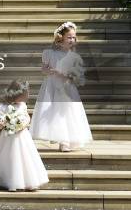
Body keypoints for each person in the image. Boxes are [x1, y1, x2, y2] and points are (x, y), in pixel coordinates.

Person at [30, 21, 93, 152]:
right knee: (55, 111)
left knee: (67, 112)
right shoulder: (49, 53)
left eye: (74, 37)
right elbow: (44, 69)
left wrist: (61, 73)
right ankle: (61, 139)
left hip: (66, 87)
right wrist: (47, 71)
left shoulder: (74, 57)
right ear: (61, 38)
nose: (72, 39)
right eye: (69, 37)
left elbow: (76, 77)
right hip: (51, 85)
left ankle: (67, 140)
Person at [0, 80, 49, 191]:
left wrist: (23, 124)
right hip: (9, 137)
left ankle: (29, 181)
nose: (24, 98)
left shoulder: (22, 105)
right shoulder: (1, 107)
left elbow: (27, 117)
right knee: (12, 158)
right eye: (22, 96)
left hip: (23, 136)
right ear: (15, 94)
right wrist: (6, 122)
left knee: (26, 158)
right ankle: (12, 181)